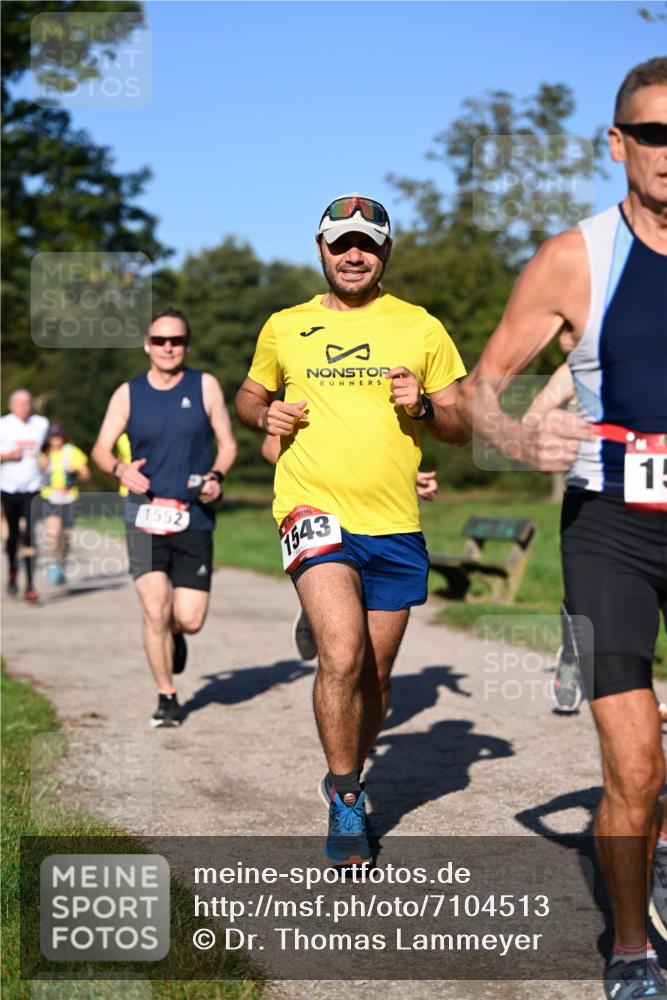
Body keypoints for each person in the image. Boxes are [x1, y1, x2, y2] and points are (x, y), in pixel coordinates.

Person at [457, 58, 667, 998]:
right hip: (610, 531)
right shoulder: (573, 258)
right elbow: (474, 392)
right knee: (633, 760)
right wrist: (513, 432)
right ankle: (629, 949)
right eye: (651, 134)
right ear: (617, 143)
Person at [236, 194, 468, 863]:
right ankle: (345, 799)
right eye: (341, 243)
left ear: (385, 251)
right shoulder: (285, 325)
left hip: (393, 523)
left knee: (375, 676)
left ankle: (348, 763)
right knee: (341, 656)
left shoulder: (421, 327)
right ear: (320, 249)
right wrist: (265, 417)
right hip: (311, 509)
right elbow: (251, 395)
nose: (353, 254)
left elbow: (459, 426)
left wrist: (423, 405)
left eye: (365, 243)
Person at [92, 308, 237, 727]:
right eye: (160, 341)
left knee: (188, 619)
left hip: (194, 514)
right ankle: (167, 696)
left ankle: (174, 636)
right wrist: (120, 470)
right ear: (147, 345)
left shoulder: (204, 385)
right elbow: (101, 449)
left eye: (175, 341)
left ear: (186, 345)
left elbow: (227, 445)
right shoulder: (128, 393)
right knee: (154, 608)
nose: (168, 348)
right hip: (144, 515)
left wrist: (215, 476)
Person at [261, 431, 440, 660]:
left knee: (370, 652)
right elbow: (269, 446)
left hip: (376, 514)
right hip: (321, 512)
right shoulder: (306, 397)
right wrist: (329, 477)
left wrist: (405, 477)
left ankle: (318, 607)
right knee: (342, 648)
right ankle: (318, 605)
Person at [0, 389, 49, 601]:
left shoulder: (41, 424)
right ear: (11, 406)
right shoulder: (3, 424)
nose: (24, 407)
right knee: (13, 535)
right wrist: (9, 455)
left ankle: (30, 584)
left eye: (27, 403)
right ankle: (12, 572)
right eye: (19, 403)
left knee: (30, 534)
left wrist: (45, 457)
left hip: (33, 487)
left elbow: (45, 447)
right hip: (9, 486)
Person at [39, 423, 90, 585]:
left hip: (69, 497)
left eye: (58, 436)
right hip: (49, 496)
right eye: (53, 437)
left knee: (66, 537)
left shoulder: (71, 451)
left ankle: (62, 561)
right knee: (54, 533)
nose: (56, 440)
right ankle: (54, 563)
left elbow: (85, 474)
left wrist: (75, 471)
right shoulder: (42, 453)